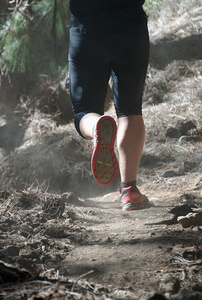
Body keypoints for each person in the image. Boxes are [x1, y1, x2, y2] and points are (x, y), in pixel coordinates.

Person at [68, 0, 150, 211]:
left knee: (83, 111)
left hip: (87, 29)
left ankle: (96, 127)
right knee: (130, 110)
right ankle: (129, 191)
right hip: (131, 25)